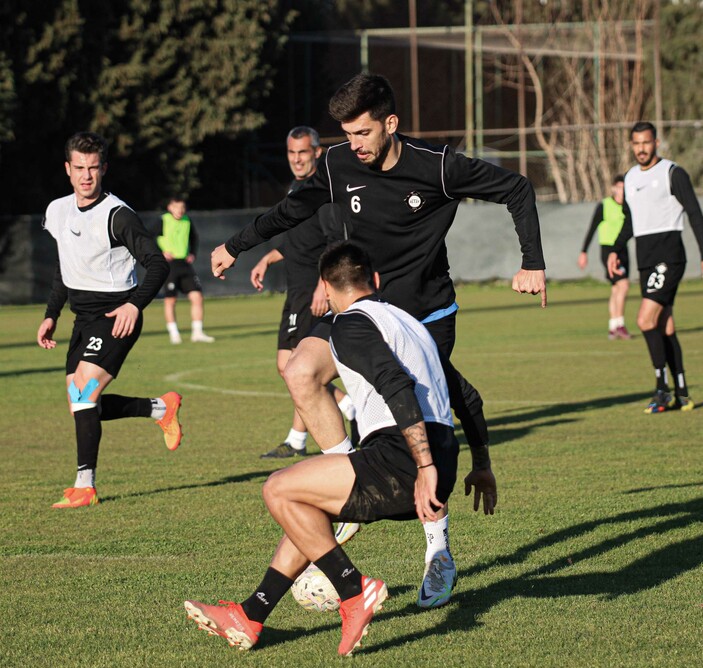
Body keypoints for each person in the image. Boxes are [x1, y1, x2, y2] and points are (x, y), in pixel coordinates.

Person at [211, 73, 546, 608]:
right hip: (365, 308)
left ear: (390, 123)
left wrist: (532, 261)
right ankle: (346, 491)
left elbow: (516, 188)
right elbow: (293, 209)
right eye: (347, 134)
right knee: (300, 370)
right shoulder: (340, 162)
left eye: (363, 133)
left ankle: (438, 547)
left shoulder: (436, 166)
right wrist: (238, 243)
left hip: (425, 316)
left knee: (422, 417)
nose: (355, 145)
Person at [185, 242, 497, 656]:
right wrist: (481, 465)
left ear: (326, 289)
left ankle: (354, 591)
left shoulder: (349, 324)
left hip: (403, 459)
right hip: (442, 459)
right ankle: (251, 614)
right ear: (376, 280)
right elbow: (468, 398)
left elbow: (396, 386)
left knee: (278, 489)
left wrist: (422, 466)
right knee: (306, 509)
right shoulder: (411, 324)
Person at [36, 131, 183, 509]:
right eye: (80, 168)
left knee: (84, 393)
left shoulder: (118, 216)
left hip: (115, 314)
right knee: (81, 404)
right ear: (68, 170)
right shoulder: (57, 210)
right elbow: (64, 267)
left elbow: (157, 265)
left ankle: (85, 486)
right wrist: (51, 314)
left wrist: (135, 305)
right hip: (81, 318)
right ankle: (160, 408)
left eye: (94, 168)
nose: (87, 176)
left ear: (104, 170)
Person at [249, 126, 356, 460]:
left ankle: (347, 407)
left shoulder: (320, 193)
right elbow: (298, 240)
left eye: (303, 153)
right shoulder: (296, 188)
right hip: (294, 291)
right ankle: (300, 436)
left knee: (294, 366)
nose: (297, 159)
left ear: (316, 152)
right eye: (292, 153)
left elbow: (334, 242)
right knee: (290, 366)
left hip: (311, 292)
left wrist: (323, 285)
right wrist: (268, 257)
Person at [607, 121, 703, 413]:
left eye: (646, 143)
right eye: (636, 144)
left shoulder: (672, 173)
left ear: (656, 143)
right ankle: (682, 392)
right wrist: (616, 249)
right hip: (646, 261)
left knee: (645, 320)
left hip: (670, 257)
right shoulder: (631, 177)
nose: (641, 149)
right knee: (664, 325)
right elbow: (629, 221)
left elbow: (695, 214)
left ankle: (662, 390)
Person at [578, 174, 632, 340]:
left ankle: (613, 327)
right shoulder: (604, 205)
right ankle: (620, 325)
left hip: (623, 250)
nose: (622, 191)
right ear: (614, 188)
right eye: (619, 187)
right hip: (608, 252)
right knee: (623, 285)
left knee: (616, 288)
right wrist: (584, 251)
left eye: (625, 188)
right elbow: (592, 228)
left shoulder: (629, 207)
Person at [156, 197, 214, 344]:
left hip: (185, 265)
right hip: (169, 265)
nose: (180, 210)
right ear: (170, 207)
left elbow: (194, 238)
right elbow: (149, 238)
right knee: (170, 300)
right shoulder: (163, 220)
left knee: (197, 297)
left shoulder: (187, 220)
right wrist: (161, 252)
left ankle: (197, 332)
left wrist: (193, 253)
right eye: (176, 207)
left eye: (182, 207)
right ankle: (174, 334)